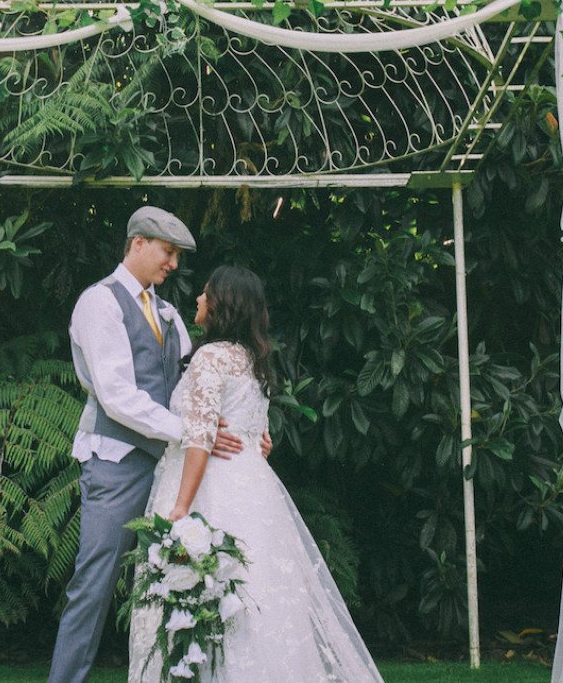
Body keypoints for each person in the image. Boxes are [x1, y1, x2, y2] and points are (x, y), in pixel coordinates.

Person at [128, 265, 386, 683]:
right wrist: (255, 445)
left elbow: (201, 437)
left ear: (221, 304)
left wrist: (180, 507)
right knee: (254, 595)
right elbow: (255, 434)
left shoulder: (211, 356)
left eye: (205, 293)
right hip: (252, 488)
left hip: (209, 487)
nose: (197, 298)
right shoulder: (254, 360)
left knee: (199, 589)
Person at [48, 206, 260, 683]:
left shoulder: (167, 313)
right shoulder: (98, 303)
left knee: (185, 580)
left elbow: (193, 389)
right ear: (137, 244)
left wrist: (240, 425)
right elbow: (118, 396)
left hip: (172, 468)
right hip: (117, 464)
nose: (174, 265)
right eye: (168, 253)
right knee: (95, 584)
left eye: (178, 256)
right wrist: (192, 433)